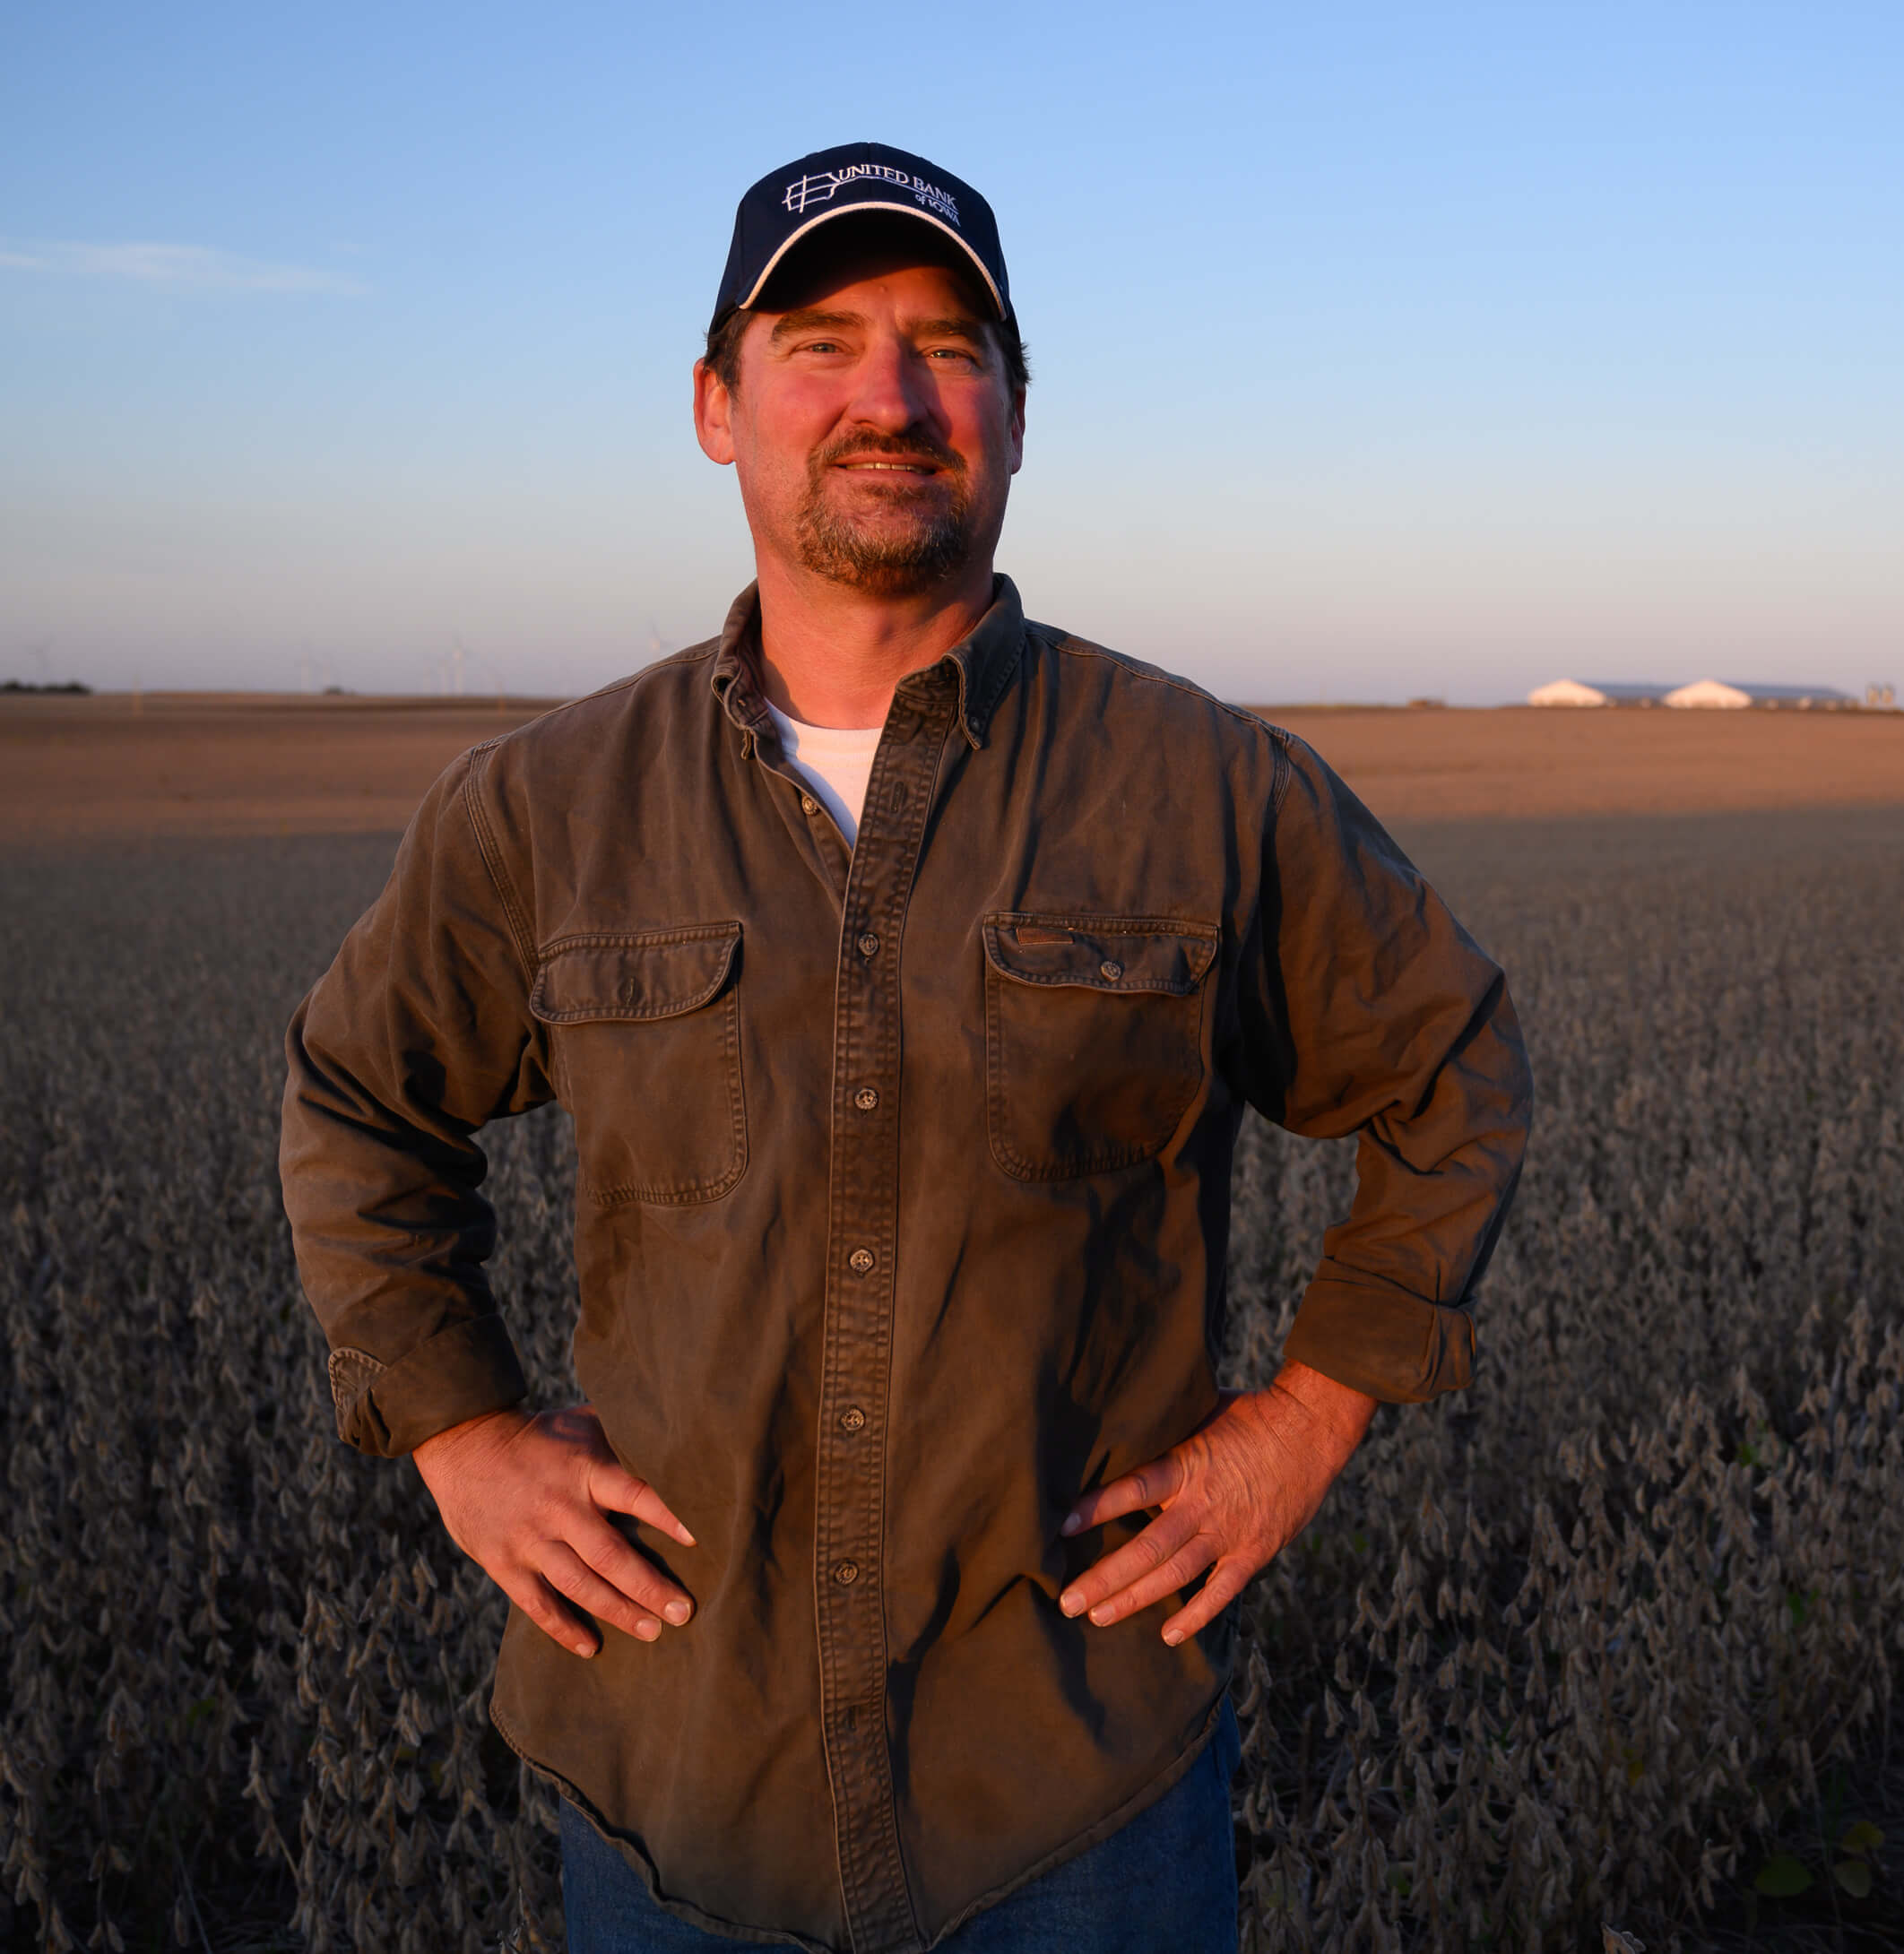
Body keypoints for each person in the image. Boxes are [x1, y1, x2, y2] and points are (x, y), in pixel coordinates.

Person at [278, 142, 1533, 1954]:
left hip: (1076, 1801)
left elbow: (1452, 1067)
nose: (891, 395)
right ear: (718, 407)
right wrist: (460, 1429)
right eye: (821, 340)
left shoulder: (1200, 785)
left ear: (1019, 417)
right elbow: (359, 1098)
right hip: (673, 1795)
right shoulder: (546, 807)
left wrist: (1306, 1418)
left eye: (951, 346)